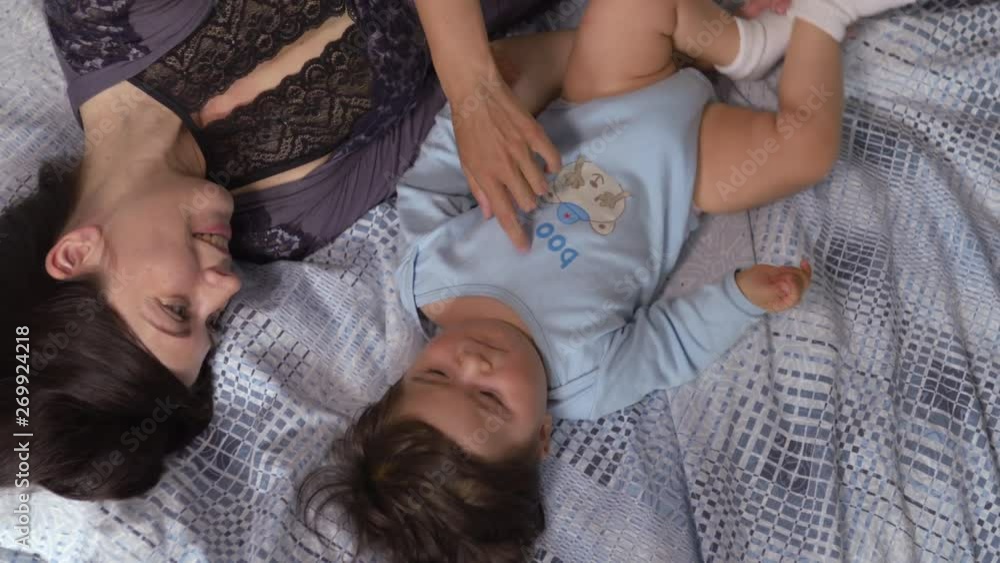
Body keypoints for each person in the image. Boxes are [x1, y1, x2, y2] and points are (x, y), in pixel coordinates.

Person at [301, 0, 916, 560]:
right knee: (805, 151)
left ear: (407, 370)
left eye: (436, 374)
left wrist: (475, 119)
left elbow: (435, 178)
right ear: (541, 434)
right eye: (490, 399)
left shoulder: (427, 276)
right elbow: (671, 344)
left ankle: (743, 47)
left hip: (602, 96)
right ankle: (823, 16)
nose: (473, 364)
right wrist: (741, 296)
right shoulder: (586, 375)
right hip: (693, 168)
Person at [0, 0, 556, 500]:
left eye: (175, 309)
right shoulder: (286, 220)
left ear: (73, 255)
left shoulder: (103, 13)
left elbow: (478, 99)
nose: (227, 285)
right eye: (211, 321)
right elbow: (506, 96)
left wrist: (470, 87)